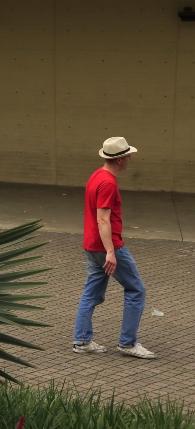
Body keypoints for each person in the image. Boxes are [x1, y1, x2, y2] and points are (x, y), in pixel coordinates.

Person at [72, 136, 155, 359]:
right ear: (120, 159)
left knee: (91, 292)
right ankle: (128, 344)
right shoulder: (108, 182)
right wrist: (111, 251)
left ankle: (81, 341)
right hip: (107, 246)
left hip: (91, 244)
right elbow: (103, 219)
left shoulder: (96, 176)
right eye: (128, 155)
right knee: (136, 290)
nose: (130, 158)